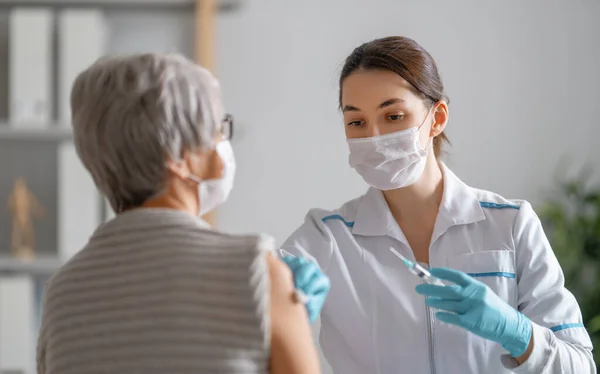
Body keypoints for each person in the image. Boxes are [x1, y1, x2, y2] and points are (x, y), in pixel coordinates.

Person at [279, 36, 595, 373]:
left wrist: (517, 332)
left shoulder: (512, 224)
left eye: (394, 116)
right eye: (356, 122)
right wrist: (271, 296)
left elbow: (580, 366)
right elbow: (239, 299)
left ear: (437, 117)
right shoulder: (327, 238)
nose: (374, 135)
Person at [36, 53, 329, 374]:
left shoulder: (62, 292)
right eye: (218, 129)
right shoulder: (254, 271)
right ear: (177, 156)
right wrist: (285, 313)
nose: (222, 142)